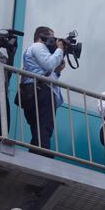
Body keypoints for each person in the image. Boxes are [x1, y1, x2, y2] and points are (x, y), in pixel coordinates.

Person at [21, 26, 66, 158]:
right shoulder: (38, 46)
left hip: (37, 90)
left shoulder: (37, 50)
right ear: (42, 37)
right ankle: (43, 157)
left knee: (39, 129)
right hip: (41, 91)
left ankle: (34, 157)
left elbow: (47, 72)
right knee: (44, 128)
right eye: (52, 38)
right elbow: (48, 64)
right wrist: (60, 49)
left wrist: (57, 71)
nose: (54, 41)